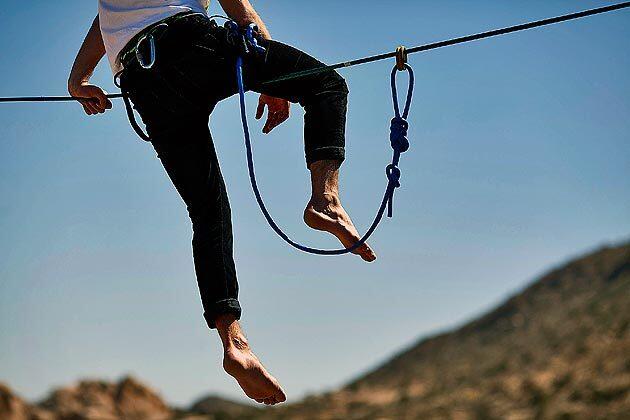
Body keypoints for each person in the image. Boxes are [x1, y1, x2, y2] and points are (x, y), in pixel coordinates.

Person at [68, 0, 376, 406]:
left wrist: (78, 79)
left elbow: (107, 20)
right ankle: (325, 199)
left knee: (207, 212)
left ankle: (234, 343)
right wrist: (272, 82)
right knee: (324, 85)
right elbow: (242, 12)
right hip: (190, 44)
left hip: (143, 83)